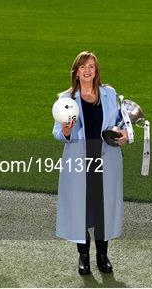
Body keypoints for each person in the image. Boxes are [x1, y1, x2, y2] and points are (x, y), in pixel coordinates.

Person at [53, 51, 129, 275]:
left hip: (106, 158)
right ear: (76, 72)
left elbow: (118, 122)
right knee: (81, 210)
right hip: (79, 160)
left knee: (103, 208)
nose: (87, 71)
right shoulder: (65, 99)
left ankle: (102, 256)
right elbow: (58, 132)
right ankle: (83, 257)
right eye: (83, 67)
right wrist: (66, 131)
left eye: (92, 67)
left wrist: (124, 134)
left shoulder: (109, 93)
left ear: (96, 71)